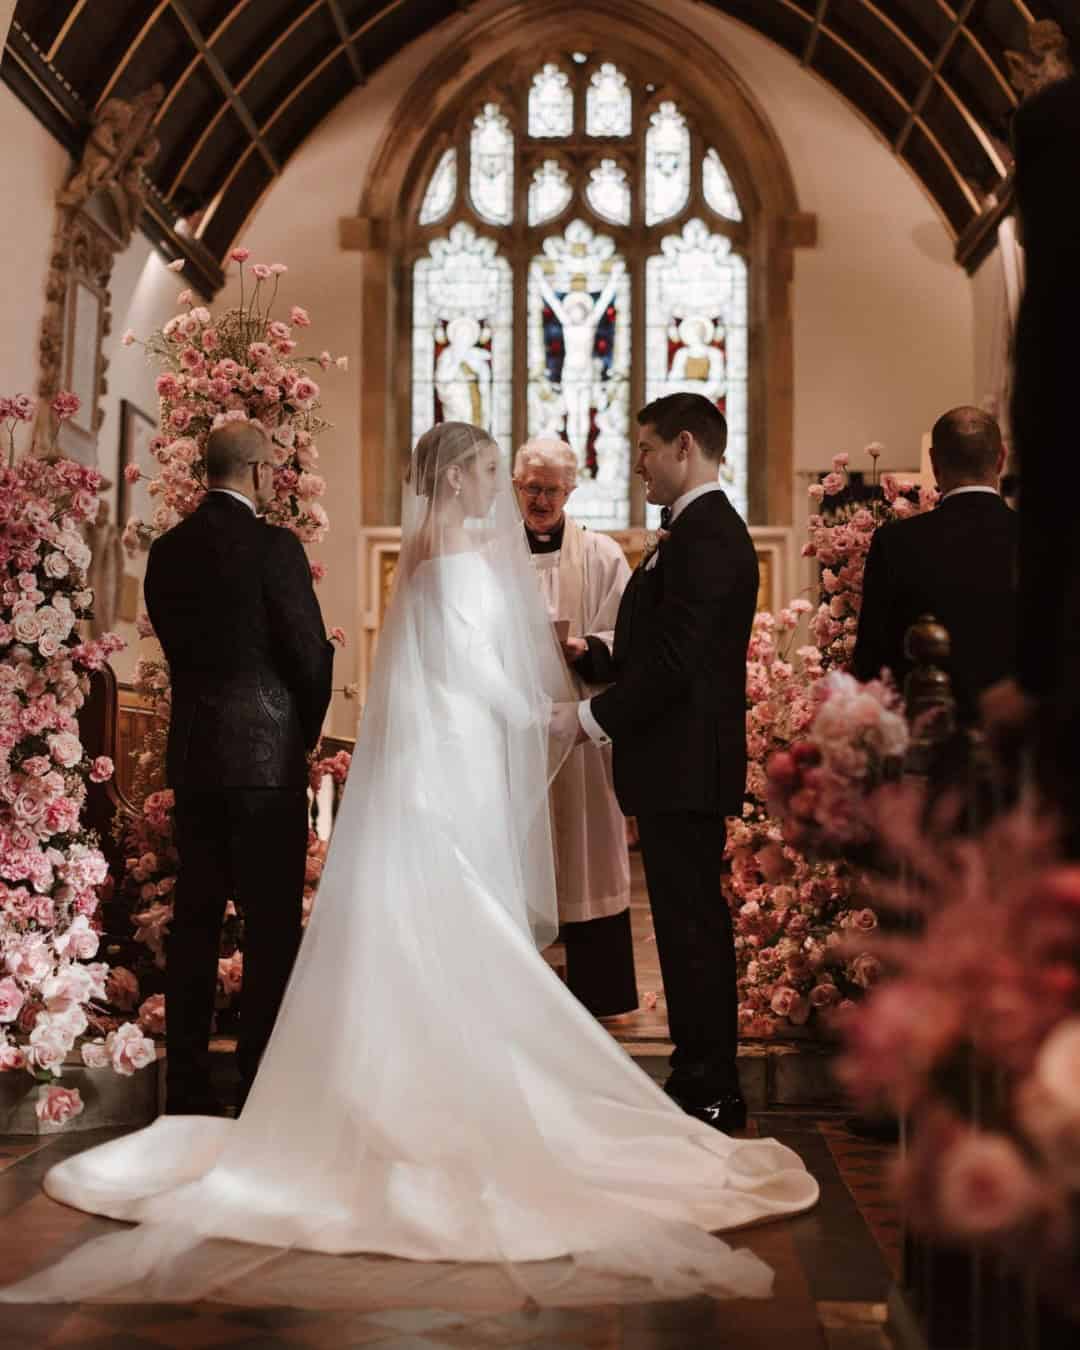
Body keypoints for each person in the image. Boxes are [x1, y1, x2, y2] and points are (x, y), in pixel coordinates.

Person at [2, 422, 816, 1311]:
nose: (506, 489)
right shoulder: (462, 573)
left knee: (371, 927)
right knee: (455, 926)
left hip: (397, 773)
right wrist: (560, 716)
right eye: (496, 472)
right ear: (465, 479)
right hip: (448, 777)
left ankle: (309, 1090)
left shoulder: (419, 573)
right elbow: (471, 681)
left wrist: (557, 710)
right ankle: (449, 1103)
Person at [567, 392, 759, 1135]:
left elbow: (681, 661)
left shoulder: (709, 534)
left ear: (684, 446)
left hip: (686, 761)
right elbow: (667, 643)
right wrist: (602, 656)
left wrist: (589, 718)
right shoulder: (688, 532)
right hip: (673, 759)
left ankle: (713, 1081)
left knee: (691, 925)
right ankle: (694, 1069)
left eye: (645, 448)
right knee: (683, 924)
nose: (637, 464)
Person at [143, 420, 334, 1115]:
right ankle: (260, 1084)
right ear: (256, 469)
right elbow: (309, 657)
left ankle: (186, 1088)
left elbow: (180, 650)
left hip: (195, 760)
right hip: (264, 764)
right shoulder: (275, 547)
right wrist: (301, 736)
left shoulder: (167, 552)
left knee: (194, 923)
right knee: (271, 927)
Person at [513, 435, 637, 1019]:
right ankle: (521, 999)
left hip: (581, 725)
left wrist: (586, 647)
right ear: (515, 486)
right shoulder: (491, 557)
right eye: (531, 487)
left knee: (587, 852)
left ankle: (599, 995)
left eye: (552, 489)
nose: (540, 499)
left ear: (572, 489)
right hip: (512, 732)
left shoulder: (601, 555)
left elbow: (628, 638)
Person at [853, 407, 1018, 724]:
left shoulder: (895, 543)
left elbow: (871, 664)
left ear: (933, 461)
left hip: (926, 743)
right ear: (1001, 458)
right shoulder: (1038, 542)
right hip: (1016, 746)